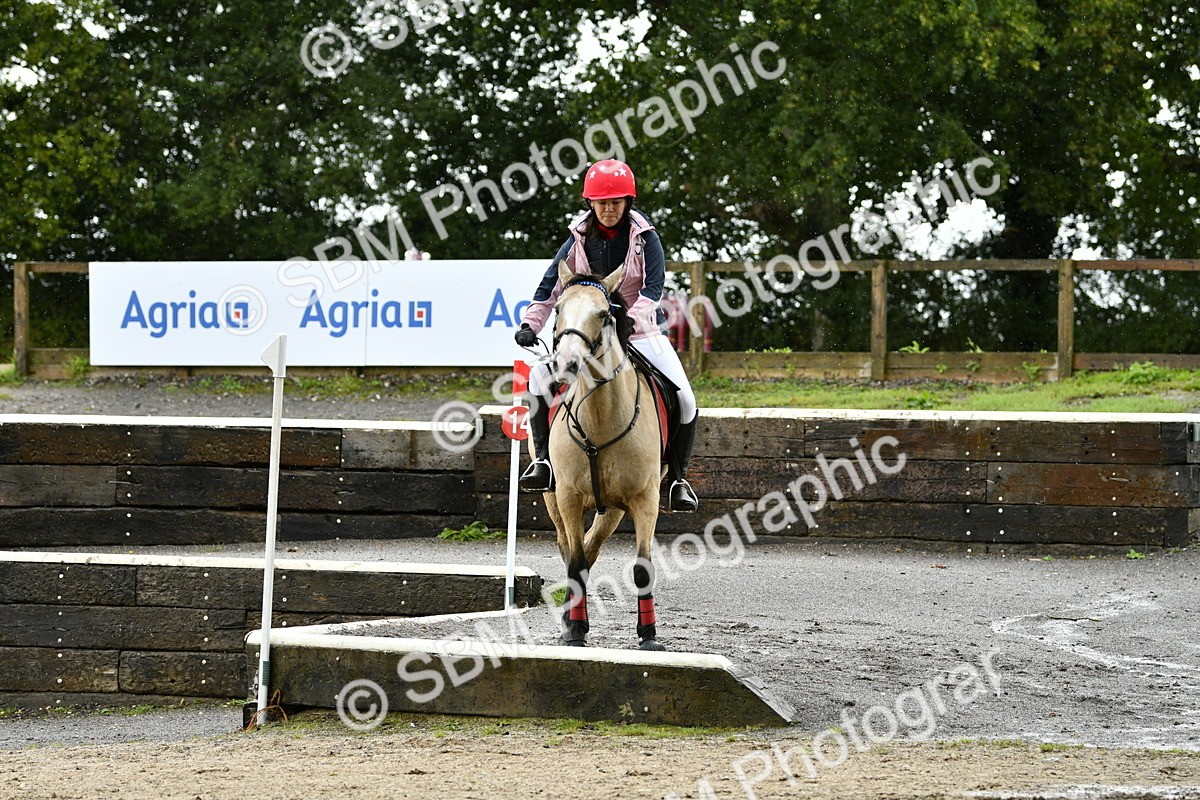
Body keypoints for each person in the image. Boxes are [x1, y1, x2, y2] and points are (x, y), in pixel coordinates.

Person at [513, 159, 699, 512]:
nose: (609, 209)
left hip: (639, 332)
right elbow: (550, 288)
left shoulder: (647, 238)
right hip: (590, 333)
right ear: (591, 204)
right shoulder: (576, 238)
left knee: (686, 399)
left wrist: (627, 319)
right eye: (602, 203)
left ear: (628, 202)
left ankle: (678, 478)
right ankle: (544, 464)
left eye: (616, 202)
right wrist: (530, 325)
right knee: (538, 378)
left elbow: (652, 289)